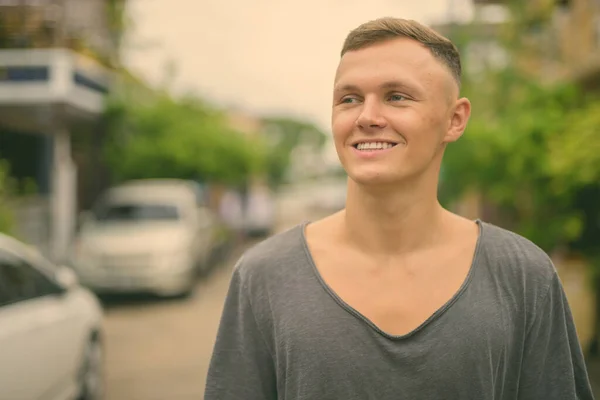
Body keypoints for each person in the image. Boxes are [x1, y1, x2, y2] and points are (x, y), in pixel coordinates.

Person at [204, 17, 595, 399]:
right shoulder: (264, 277)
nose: (367, 117)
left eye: (397, 97)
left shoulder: (523, 275)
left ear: (454, 119)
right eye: (349, 99)